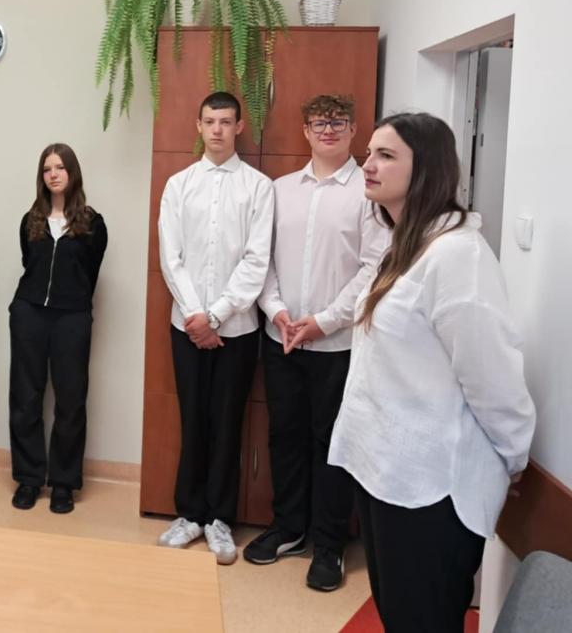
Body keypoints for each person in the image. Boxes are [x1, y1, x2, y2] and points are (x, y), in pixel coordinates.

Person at [329, 112, 535, 632]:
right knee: (398, 616)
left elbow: (491, 374)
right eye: (370, 153)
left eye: (385, 155)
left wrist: (512, 455)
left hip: (430, 487)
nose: (367, 165)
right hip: (382, 469)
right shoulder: (406, 243)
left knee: (423, 620)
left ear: (426, 169)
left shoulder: (458, 256)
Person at [245, 95, 388, 591]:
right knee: (284, 436)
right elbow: (262, 259)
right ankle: (289, 528)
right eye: (319, 122)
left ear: (353, 130)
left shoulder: (368, 192)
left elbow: (374, 269)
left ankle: (329, 545)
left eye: (338, 122)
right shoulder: (280, 190)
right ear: (305, 130)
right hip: (281, 338)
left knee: (332, 445)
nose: (328, 129)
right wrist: (276, 311)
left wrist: (324, 322)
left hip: (338, 345)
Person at [156, 91, 273, 564]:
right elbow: (171, 257)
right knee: (193, 418)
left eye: (226, 122)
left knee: (227, 422)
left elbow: (256, 260)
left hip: (238, 329)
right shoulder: (178, 185)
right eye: (210, 121)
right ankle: (190, 514)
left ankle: (221, 518)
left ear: (239, 126)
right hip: (186, 326)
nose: (218, 130)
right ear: (199, 126)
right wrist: (196, 317)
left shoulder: (258, 188)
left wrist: (217, 316)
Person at [8, 143, 108, 515]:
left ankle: (64, 482)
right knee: (25, 397)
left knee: (71, 399)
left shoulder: (92, 223)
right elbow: (29, 263)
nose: (53, 174)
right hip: (29, 313)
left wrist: (71, 300)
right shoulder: (30, 220)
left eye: (60, 167)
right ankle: (29, 478)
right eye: (47, 168)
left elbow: (90, 272)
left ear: (72, 172)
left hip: (72, 317)